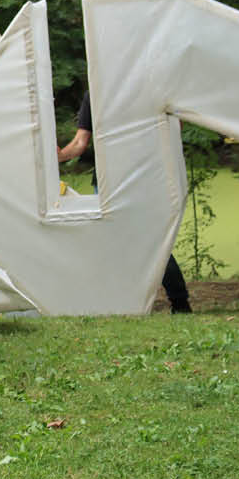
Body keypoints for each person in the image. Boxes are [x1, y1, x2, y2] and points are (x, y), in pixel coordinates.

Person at [57, 92, 192, 313]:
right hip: (138, 178)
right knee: (147, 241)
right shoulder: (137, 87)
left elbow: (80, 144)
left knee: (129, 241)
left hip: (118, 181)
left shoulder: (99, 90)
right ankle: (176, 301)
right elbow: (175, 127)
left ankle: (171, 300)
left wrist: (59, 155)